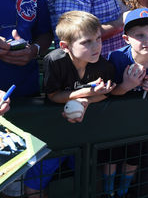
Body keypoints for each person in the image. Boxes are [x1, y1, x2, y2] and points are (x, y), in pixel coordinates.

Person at [24, 10, 115, 196]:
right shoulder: (55, 60)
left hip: (85, 135)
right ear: (65, 46)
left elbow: (106, 93)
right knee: (33, 185)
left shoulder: (104, 65)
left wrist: (86, 102)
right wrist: (84, 93)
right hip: (53, 136)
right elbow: (53, 95)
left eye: (98, 38)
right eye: (86, 42)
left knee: (90, 178)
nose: (96, 46)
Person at [107, 8, 148, 196]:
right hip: (117, 121)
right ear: (126, 38)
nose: (147, 40)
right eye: (140, 35)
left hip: (145, 122)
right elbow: (110, 94)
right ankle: (108, 191)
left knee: (134, 159)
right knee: (111, 158)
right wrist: (126, 85)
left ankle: (123, 191)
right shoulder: (117, 58)